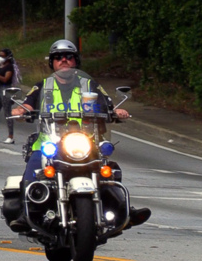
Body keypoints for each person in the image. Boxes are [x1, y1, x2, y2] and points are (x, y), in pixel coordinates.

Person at [10, 39, 151, 228]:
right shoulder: (43, 86)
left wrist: (116, 111)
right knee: (33, 169)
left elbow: (107, 103)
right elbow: (28, 103)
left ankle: (123, 210)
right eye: (58, 57)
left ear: (76, 61)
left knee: (109, 171)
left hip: (86, 142)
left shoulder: (89, 85)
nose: (64, 61)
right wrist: (21, 111)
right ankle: (25, 214)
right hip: (50, 143)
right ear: (52, 62)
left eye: (69, 57)